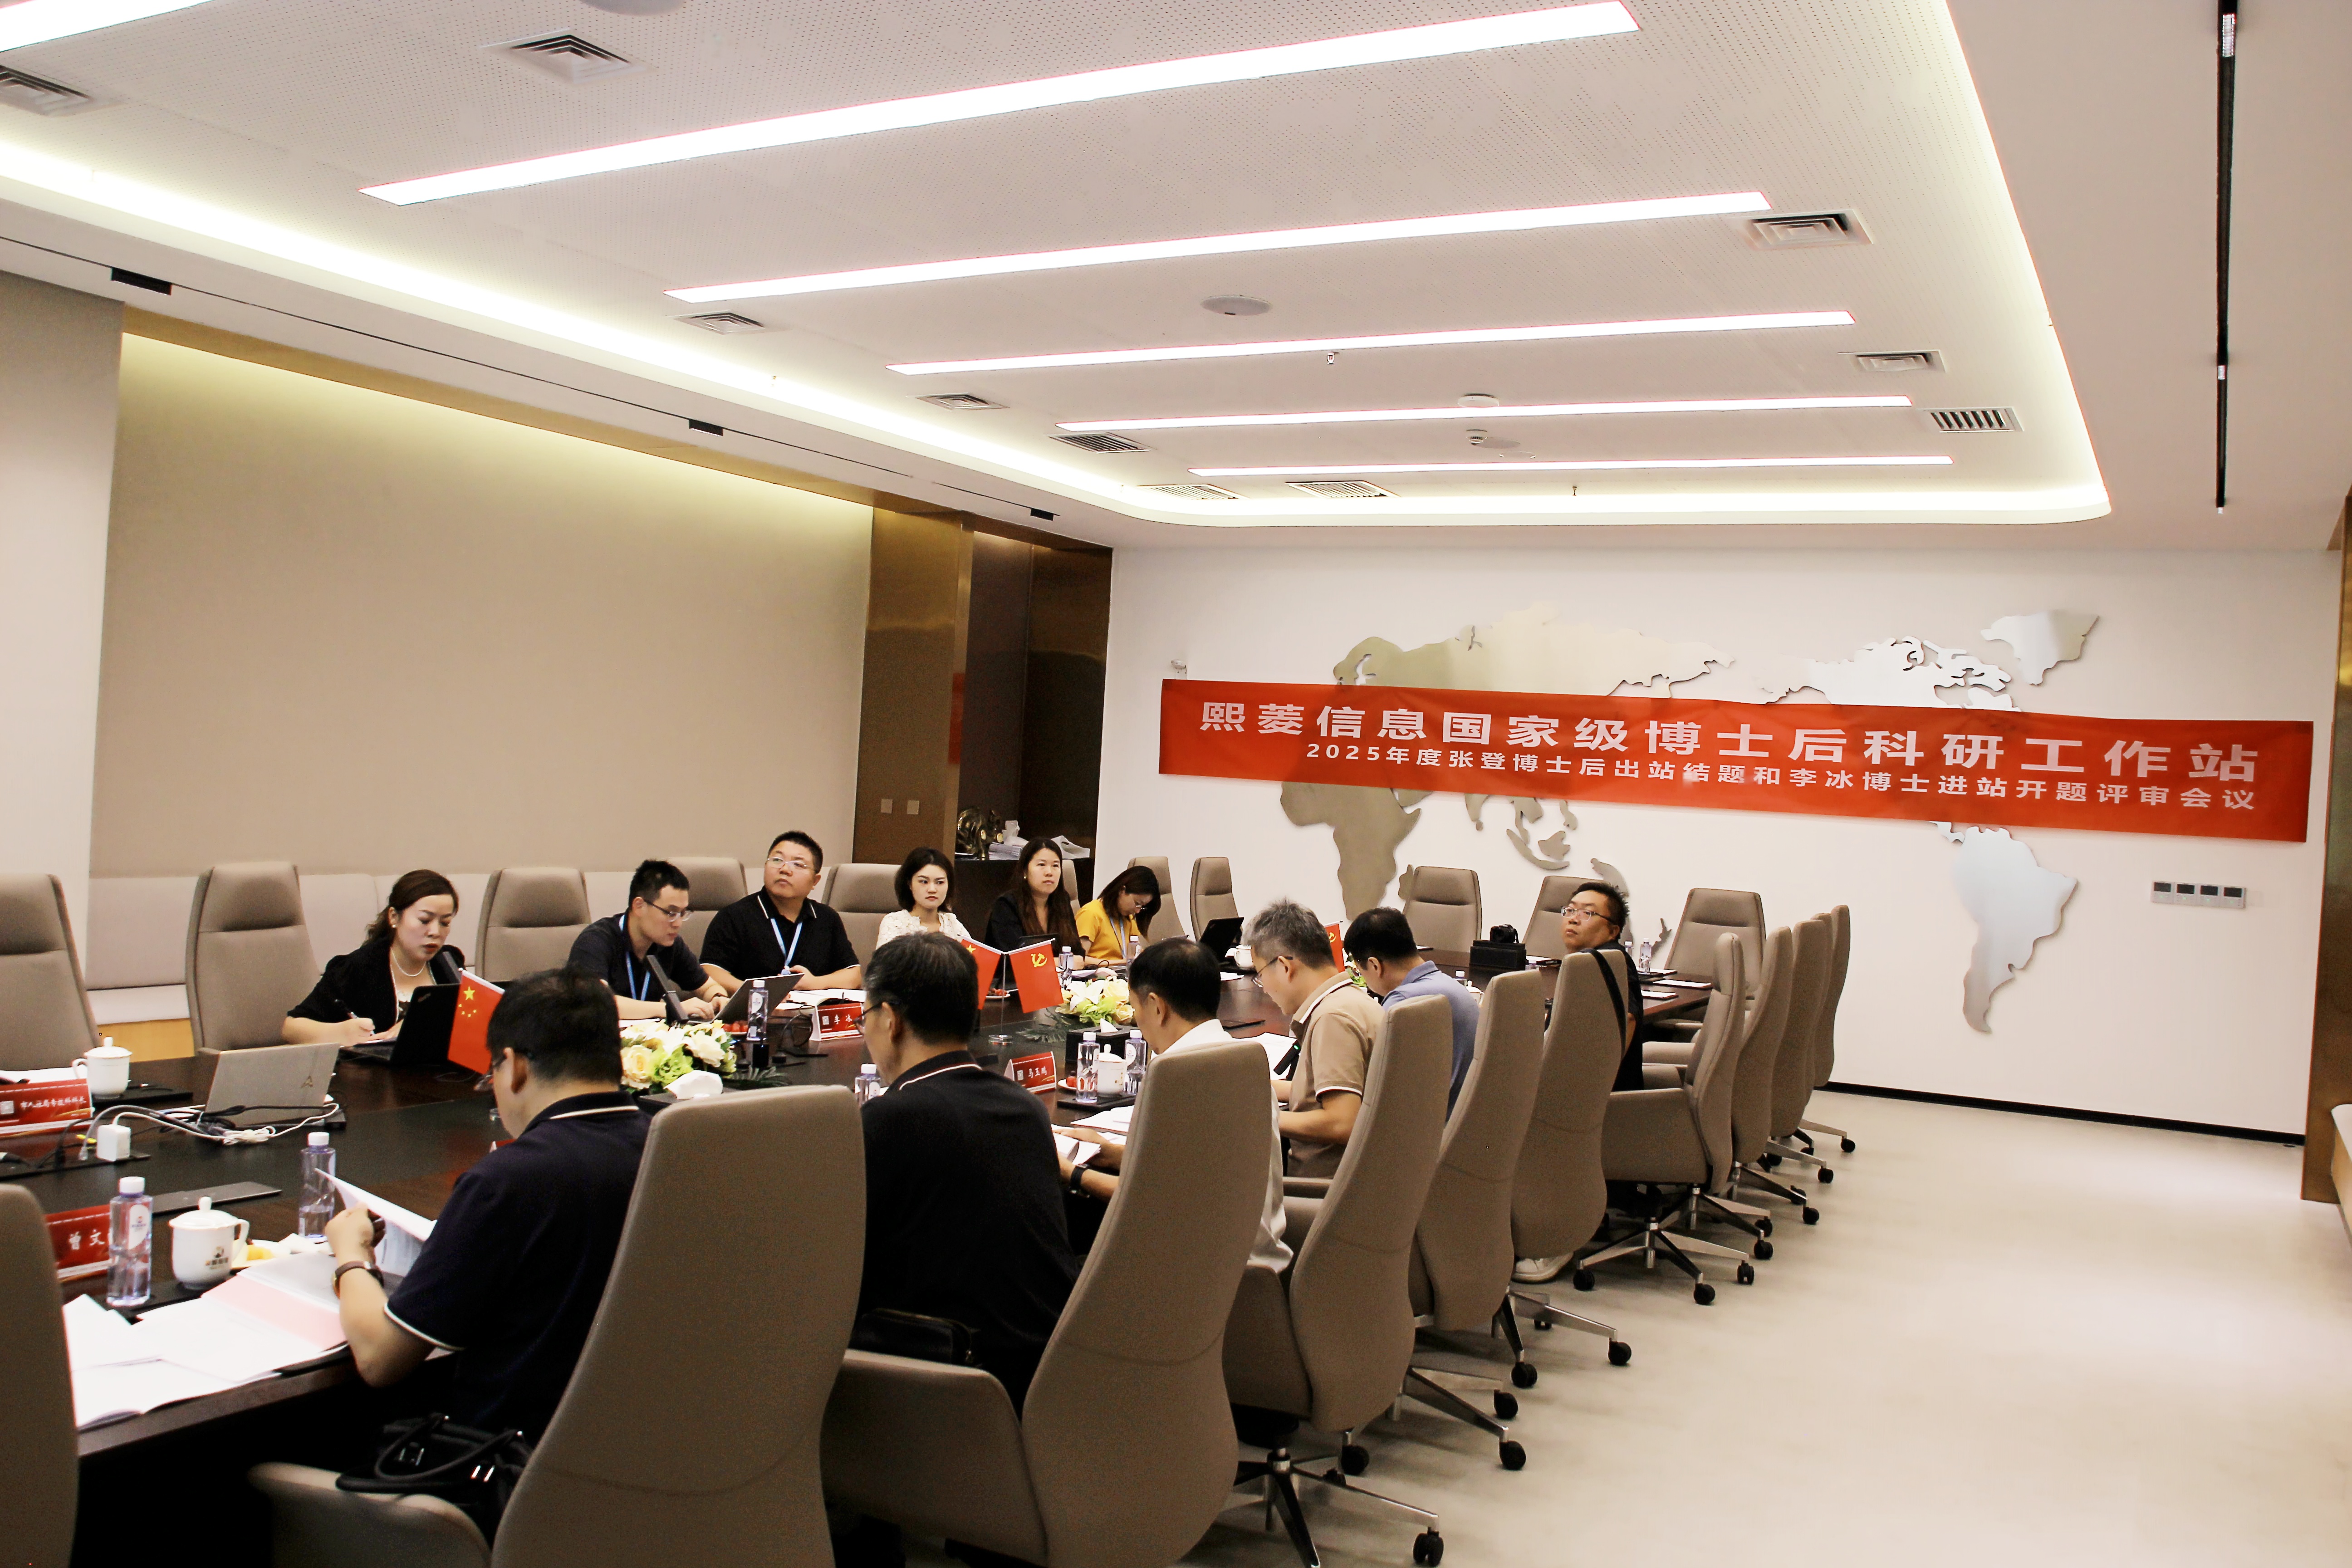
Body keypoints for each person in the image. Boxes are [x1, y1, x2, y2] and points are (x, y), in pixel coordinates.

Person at [323, 968, 651, 1438]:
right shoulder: (671, 1149)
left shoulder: (509, 1181)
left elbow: (379, 1359)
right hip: (635, 1442)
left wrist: (351, 1256)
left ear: (515, 1066)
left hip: (503, 1458)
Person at [855, 932, 1077, 1412]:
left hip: (955, 1389)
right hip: (1056, 1375)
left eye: (863, 1017)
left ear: (890, 1020)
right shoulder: (1025, 1107)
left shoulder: (890, 1120)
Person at [1059, 938, 1289, 1272]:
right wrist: (1111, 1152)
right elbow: (1198, 1169)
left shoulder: (1174, 1076)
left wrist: (1072, 1173)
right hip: (1258, 1264)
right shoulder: (1245, 1060)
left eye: (1135, 1009)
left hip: (1196, 1275)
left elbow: (1144, 1197)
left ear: (1156, 1007)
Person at [1247, 899, 1383, 1180]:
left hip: (1322, 1191)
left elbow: (1342, 1123)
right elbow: (1325, 1091)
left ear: (1285, 967)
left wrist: (1254, 1118)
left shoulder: (1333, 1018)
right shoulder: (1353, 1001)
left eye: (1260, 975)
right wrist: (1252, 1087)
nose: (1264, 988)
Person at [284, 870, 465, 1045]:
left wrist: (419, 1023)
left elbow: (468, 1016)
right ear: (394, 917)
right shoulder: (360, 967)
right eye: (425, 920)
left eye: (445, 923)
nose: (435, 932)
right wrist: (341, 1033)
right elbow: (291, 1028)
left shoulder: (449, 961)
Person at [1343, 906, 1480, 1111]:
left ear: (1374, 966)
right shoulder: (1451, 987)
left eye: (1359, 972)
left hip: (1434, 1124)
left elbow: (1373, 1080)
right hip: (1462, 1117)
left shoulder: (1402, 1004)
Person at [700, 831, 862, 993]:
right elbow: (710, 971)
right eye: (777, 860)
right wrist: (758, 992)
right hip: (752, 1008)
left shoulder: (826, 918)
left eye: (798, 864)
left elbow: (853, 975)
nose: (785, 869)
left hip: (810, 1008)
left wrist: (815, 982)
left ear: (815, 881)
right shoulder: (734, 916)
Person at [566, 860, 729, 1020]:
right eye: (671, 913)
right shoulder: (595, 941)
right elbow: (597, 1004)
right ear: (639, 906)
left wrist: (718, 997)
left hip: (651, 1036)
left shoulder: (670, 944)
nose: (678, 923)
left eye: (682, 913)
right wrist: (672, 1009)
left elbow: (707, 986)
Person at [1559, 880, 1646, 1091]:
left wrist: (1594, 1087)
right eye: (1570, 910)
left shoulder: (1609, 961)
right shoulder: (1586, 962)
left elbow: (1628, 1019)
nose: (1573, 919)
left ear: (1613, 931)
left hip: (1599, 1097)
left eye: (1587, 913)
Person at [984, 837, 1081, 956]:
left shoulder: (1062, 900)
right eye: (1042, 865)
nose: (1049, 872)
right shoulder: (1006, 906)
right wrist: (1063, 961)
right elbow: (1013, 958)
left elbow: (1077, 952)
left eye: (1055, 866)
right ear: (1025, 871)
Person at [875, 847, 971, 947]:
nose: (932, 890)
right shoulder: (894, 923)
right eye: (924, 882)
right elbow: (886, 957)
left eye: (940, 882)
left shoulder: (953, 924)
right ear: (909, 884)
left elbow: (973, 956)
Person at [1074, 864, 1159, 964]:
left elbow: (1137, 953)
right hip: (1098, 972)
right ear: (1122, 891)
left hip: (1121, 971)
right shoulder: (1091, 913)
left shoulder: (1128, 918)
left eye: (1142, 906)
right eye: (1137, 903)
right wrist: (1122, 963)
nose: (1138, 911)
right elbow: (1078, 960)